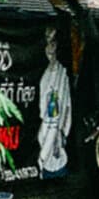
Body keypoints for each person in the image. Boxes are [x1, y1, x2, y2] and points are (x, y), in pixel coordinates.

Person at [36, 26, 71, 178]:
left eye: (53, 43)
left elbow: (54, 118)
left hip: (52, 138)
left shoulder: (59, 75)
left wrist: (43, 156)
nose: (49, 48)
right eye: (47, 43)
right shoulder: (45, 73)